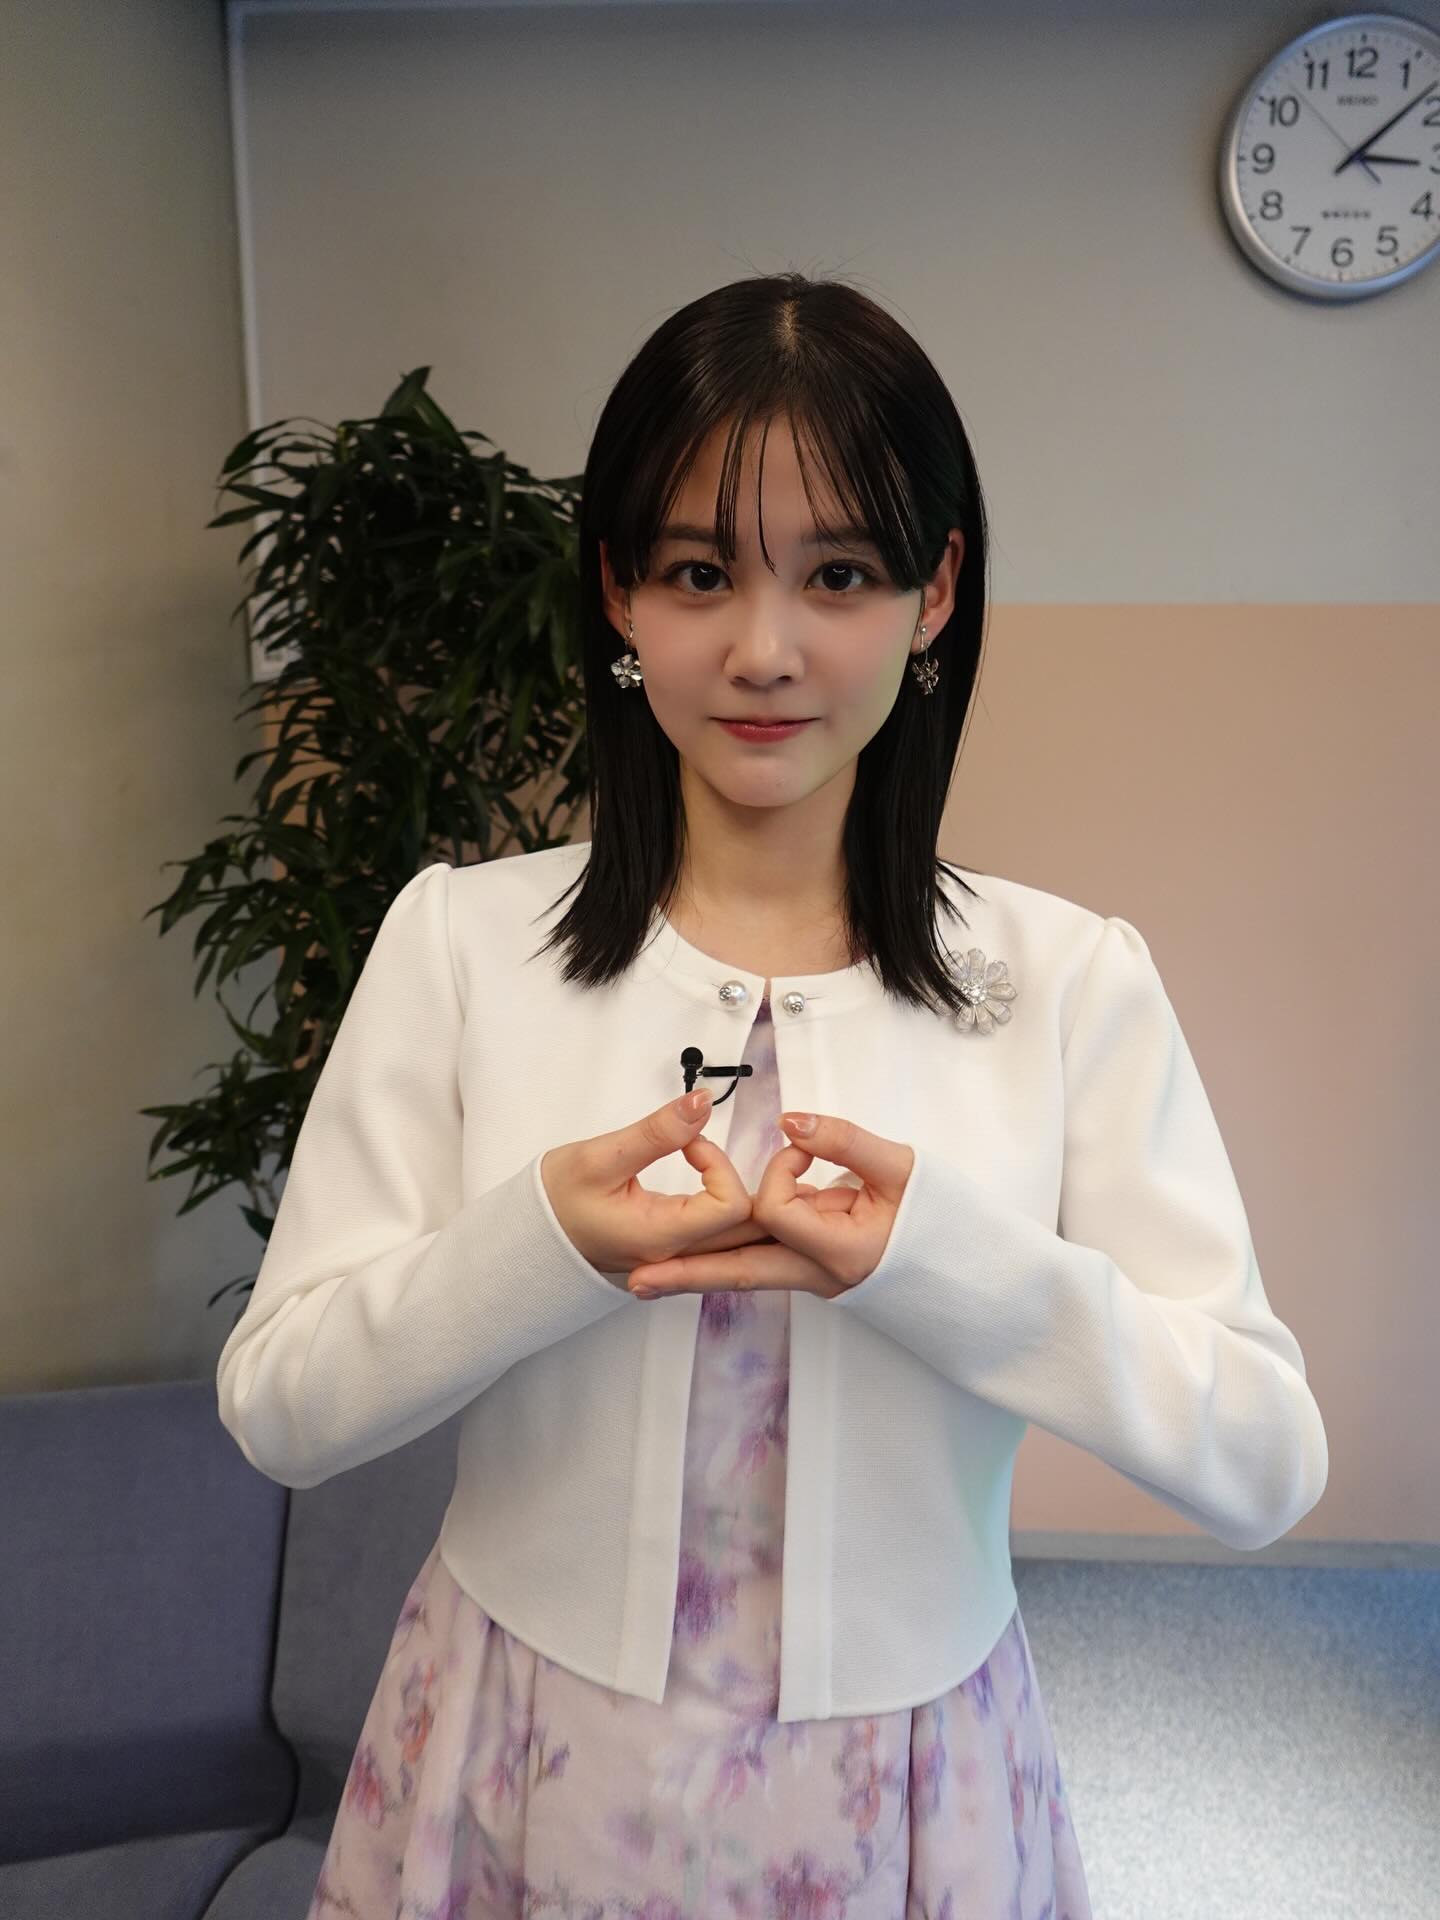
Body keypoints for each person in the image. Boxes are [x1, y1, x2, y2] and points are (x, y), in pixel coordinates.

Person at [217, 271, 1326, 1916]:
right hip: (517, 1756)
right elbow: (283, 1407)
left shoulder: (1070, 982)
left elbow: (1263, 1463)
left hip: (907, 1790)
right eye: (697, 572)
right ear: (618, 591)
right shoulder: (462, 946)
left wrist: (941, 1263)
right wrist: (538, 1245)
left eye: (841, 574)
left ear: (936, 593)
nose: (763, 648)